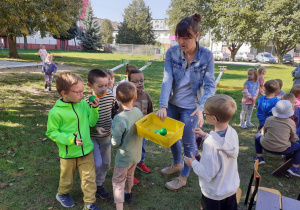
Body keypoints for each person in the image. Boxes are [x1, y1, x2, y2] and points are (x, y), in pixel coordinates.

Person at [156, 13, 216, 191]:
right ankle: (177, 164)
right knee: (171, 136)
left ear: (196, 36)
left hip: (192, 107)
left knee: (189, 143)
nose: (181, 42)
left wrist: (201, 109)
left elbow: (210, 85)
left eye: (186, 38)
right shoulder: (172, 52)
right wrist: (163, 105)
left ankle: (182, 178)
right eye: (179, 37)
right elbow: (167, 79)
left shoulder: (206, 56)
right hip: (173, 104)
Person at [45, 72, 101, 210]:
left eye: (83, 91)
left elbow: (92, 123)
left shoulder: (82, 105)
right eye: (78, 92)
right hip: (68, 154)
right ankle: (62, 194)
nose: (82, 95)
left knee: (89, 178)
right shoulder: (55, 112)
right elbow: (51, 132)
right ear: (64, 93)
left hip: (86, 150)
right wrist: (71, 139)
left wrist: (94, 108)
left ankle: (89, 204)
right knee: (67, 179)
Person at [184, 94, 240, 210]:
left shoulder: (210, 145)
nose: (204, 115)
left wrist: (193, 163)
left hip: (214, 195)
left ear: (214, 119)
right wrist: (206, 136)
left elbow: (207, 174)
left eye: (206, 113)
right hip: (230, 189)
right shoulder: (232, 132)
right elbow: (222, 145)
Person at [111, 82, 143, 210]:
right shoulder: (138, 111)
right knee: (130, 175)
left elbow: (115, 143)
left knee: (118, 181)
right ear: (135, 98)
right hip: (136, 154)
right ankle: (128, 193)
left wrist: (110, 139)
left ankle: (120, 207)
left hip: (124, 158)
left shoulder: (119, 118)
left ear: (117, 99)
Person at [86, 69, 117, 200]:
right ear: (90, 86)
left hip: (106, 137)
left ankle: (99, 185)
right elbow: (84, 123)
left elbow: (114, 111)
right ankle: (91, 185)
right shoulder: (86, 102)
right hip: (92, 138)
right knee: (97, 164)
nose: (104, 88)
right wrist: (95, 128)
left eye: (106, 85)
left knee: (106, 163)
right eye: (100, 86)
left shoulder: (110, 96)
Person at [254, 100, 300, 177]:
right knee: (299, 147)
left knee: (257, 136)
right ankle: (295, 168)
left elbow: (264, 132)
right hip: (283, 150)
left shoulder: (269, 119)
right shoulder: (291, 122)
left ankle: (259, 157)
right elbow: (293, 138)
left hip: (266, 146)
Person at [127, 69, 153, 184]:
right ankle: (128, 172)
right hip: (130, 131)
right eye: (136, 81)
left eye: (142, 81)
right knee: (131, 152)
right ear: (129, 82)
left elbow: (150, 111)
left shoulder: (146, 95)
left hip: (142, 131)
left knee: (141, 148)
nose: (140, 84)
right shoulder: (126, 97)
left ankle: (140, 162)